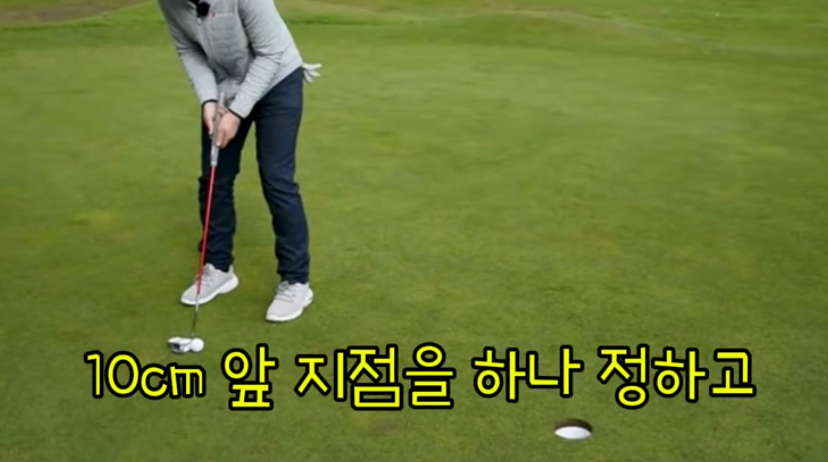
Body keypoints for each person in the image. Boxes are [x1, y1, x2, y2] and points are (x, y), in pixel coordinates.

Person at [157, 0, 321, 322]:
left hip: (278, 80)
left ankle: (296, 281)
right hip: (225, 86)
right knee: (214, 178)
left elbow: (270, 53)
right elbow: (188, 49)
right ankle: (218, 267)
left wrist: (236, 113)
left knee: (276, 178)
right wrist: (207, 100)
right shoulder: (170, 2)